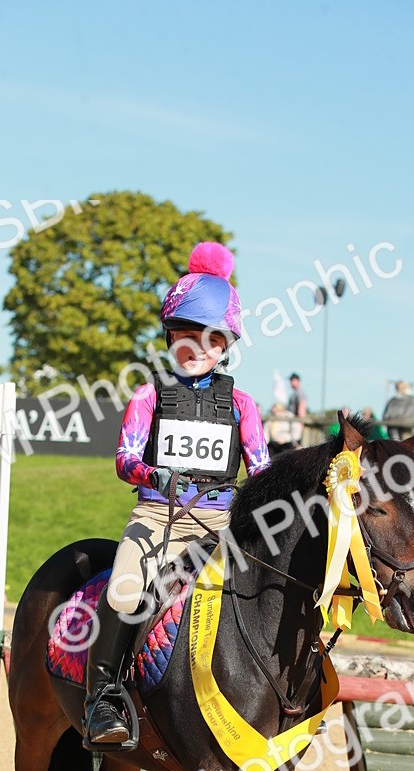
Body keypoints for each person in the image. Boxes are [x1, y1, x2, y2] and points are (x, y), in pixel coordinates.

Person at [84, 242, 271, 745]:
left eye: (210, 340)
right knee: (124, 589)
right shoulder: (147, 396)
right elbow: (123, 459)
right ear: (170, 338)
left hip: (221, 524)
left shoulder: (242, 406)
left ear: (226, 345)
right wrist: (153, 475)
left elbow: (261, 470)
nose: (197, 349)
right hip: (157, 520)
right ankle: (102, 700)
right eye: (186, 338)